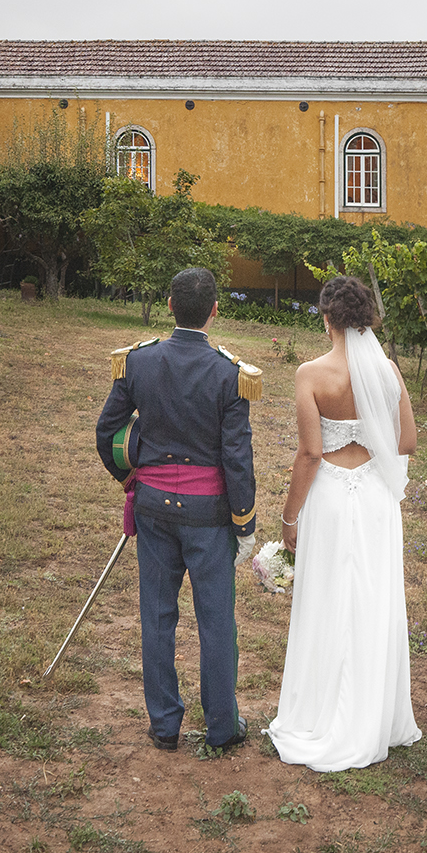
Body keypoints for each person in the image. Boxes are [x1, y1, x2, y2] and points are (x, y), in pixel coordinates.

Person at [96, 266, 260, 756]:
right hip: (210, 516)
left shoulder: (137, 363)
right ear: (215, 310)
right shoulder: (231, 374)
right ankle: (222, 727)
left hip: (153, 510)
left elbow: (108, 432)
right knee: (215, 622)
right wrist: (245, 523)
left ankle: (164, 725)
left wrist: (129, 476)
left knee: (157, 616)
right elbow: (237, 458)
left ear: (169, 305)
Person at [267, 274, 421, 771]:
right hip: (376, 498)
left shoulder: (310, 374)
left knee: (327, 598)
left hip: (330, 495)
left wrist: (290, 516)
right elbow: (406, 443)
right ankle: (374, 715)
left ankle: (321, 711)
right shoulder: (388, 372)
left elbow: (311, 453)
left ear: (327, 318)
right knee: (373, 599)